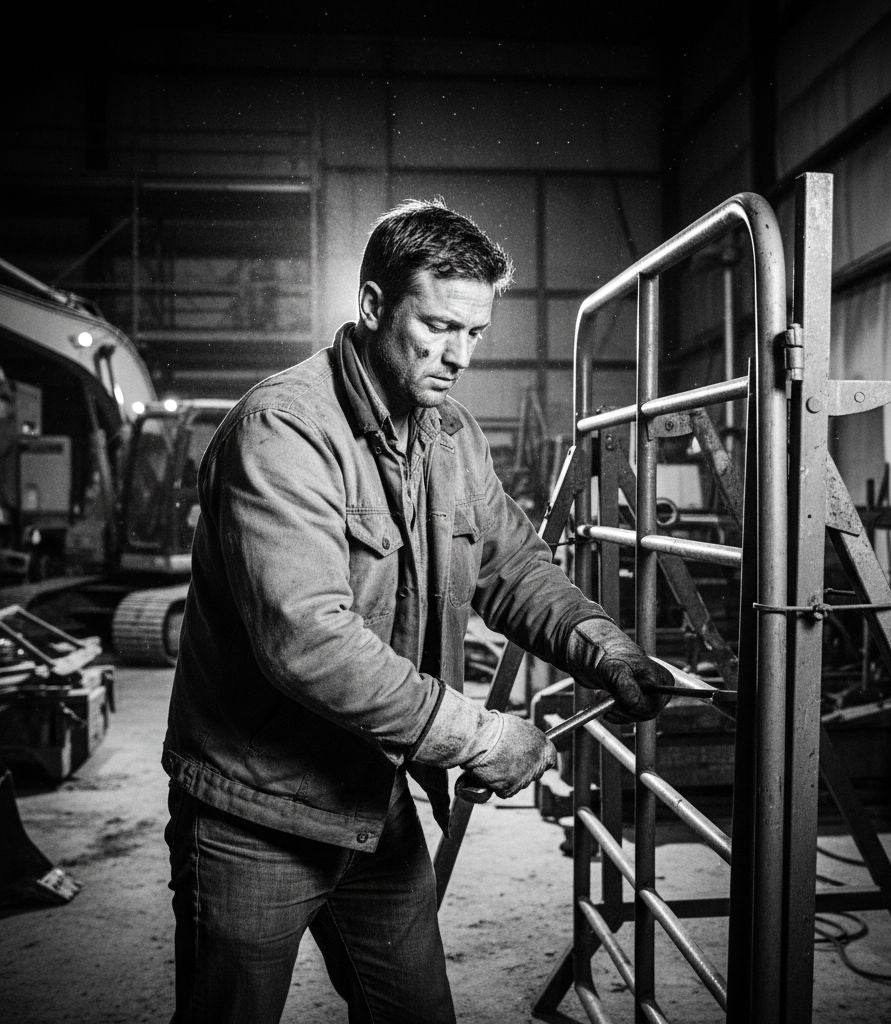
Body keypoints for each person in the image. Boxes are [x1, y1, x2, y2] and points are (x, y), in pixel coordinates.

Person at [161, 197, 673, 1024]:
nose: (460, 354)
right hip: (254, 818)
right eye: (438, 325)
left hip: (375, 801)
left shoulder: (450, 434)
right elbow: (307, 640)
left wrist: (602, 645)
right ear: (371, 307)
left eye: (475, 332)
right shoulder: (283, 430)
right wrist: (481, 734)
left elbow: (511, 565)